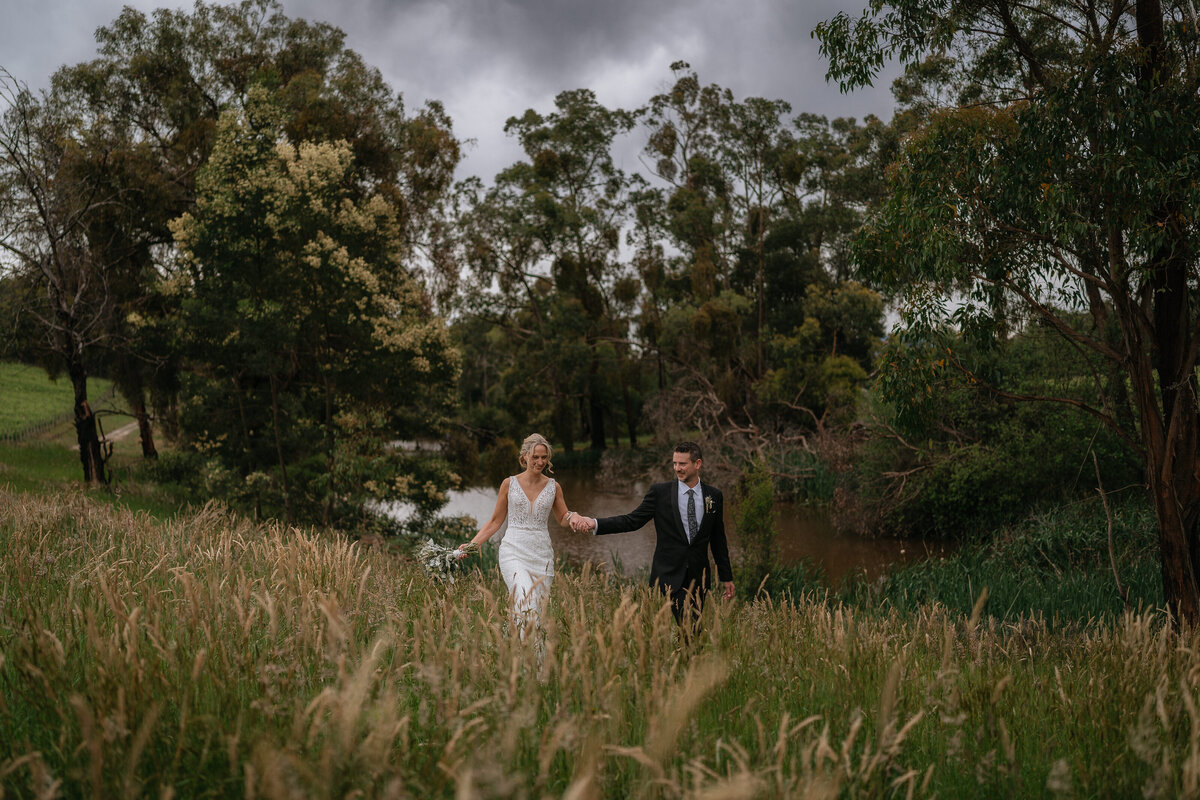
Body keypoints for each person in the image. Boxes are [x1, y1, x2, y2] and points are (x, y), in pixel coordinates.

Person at [571, 441, 734, 630]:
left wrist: (726, 577)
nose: (677, 468)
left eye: (682, 464)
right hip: (668, 576)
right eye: (674, 463)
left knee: (693, 631)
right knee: (686, 627)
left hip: (698, 578)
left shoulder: (713, 496)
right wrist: (595, 523)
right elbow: (632, 521)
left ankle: (687, 659)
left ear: (697, 464)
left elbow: (718, 539)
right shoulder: (660, 493)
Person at [460, 433, 581, 635]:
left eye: (544, 457)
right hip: (513, 551)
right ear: (524, 457)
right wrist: (473, 545)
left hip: (542, 556)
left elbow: (563, 518)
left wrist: (574, 517)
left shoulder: (553, 487)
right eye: (535, 457)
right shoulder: (509, 484)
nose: (540, 462)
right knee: (526, 599)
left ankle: (524, 657)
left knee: (536, 613)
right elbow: (495, 521)